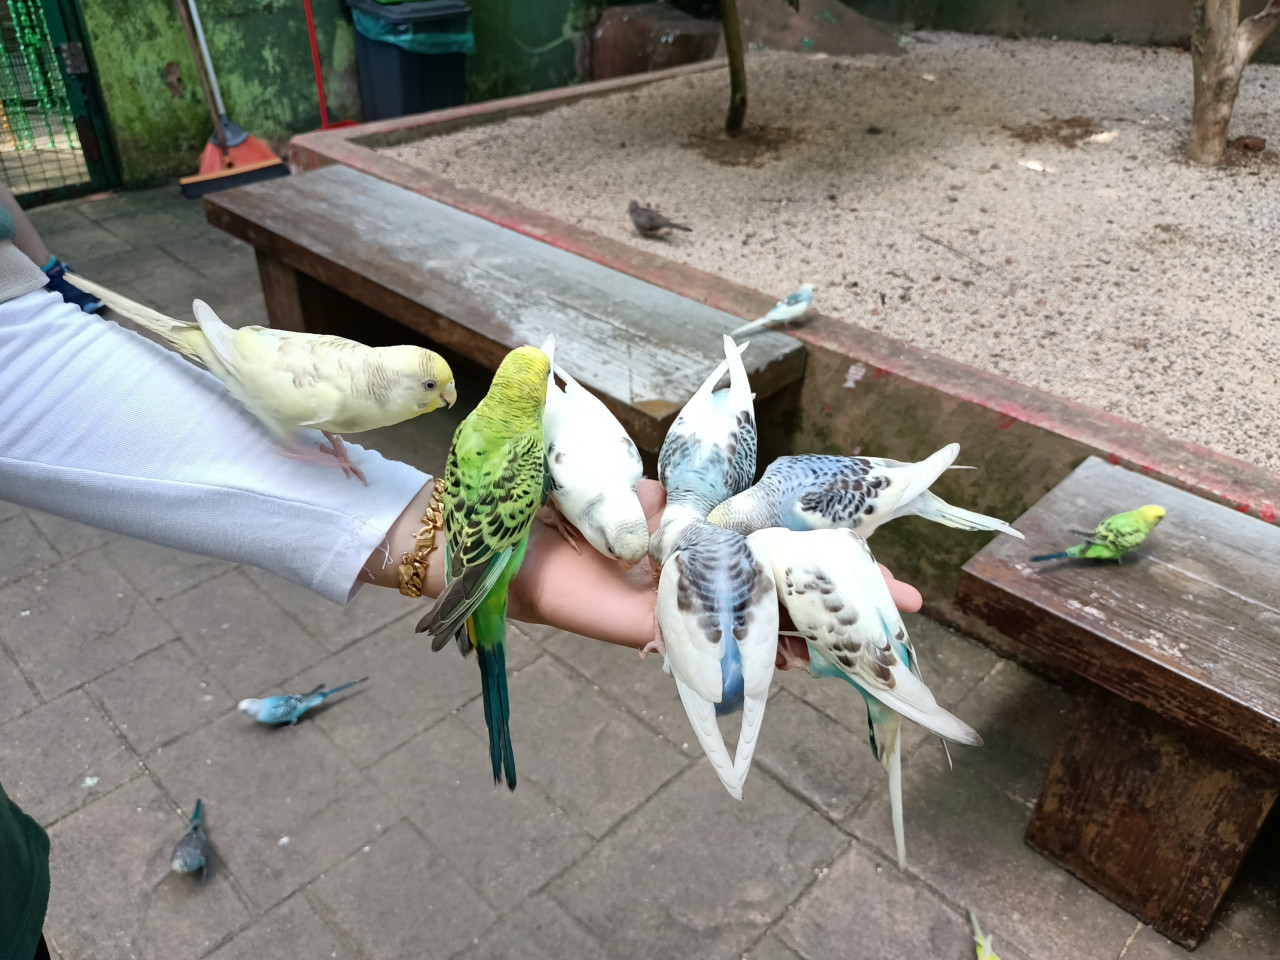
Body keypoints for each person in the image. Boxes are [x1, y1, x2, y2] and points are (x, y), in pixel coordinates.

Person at [0, 200, 920, 959]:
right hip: (485, 566)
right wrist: (469, 567)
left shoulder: (488, 430)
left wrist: (45, 274)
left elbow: (28, 342)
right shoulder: (515, 446)